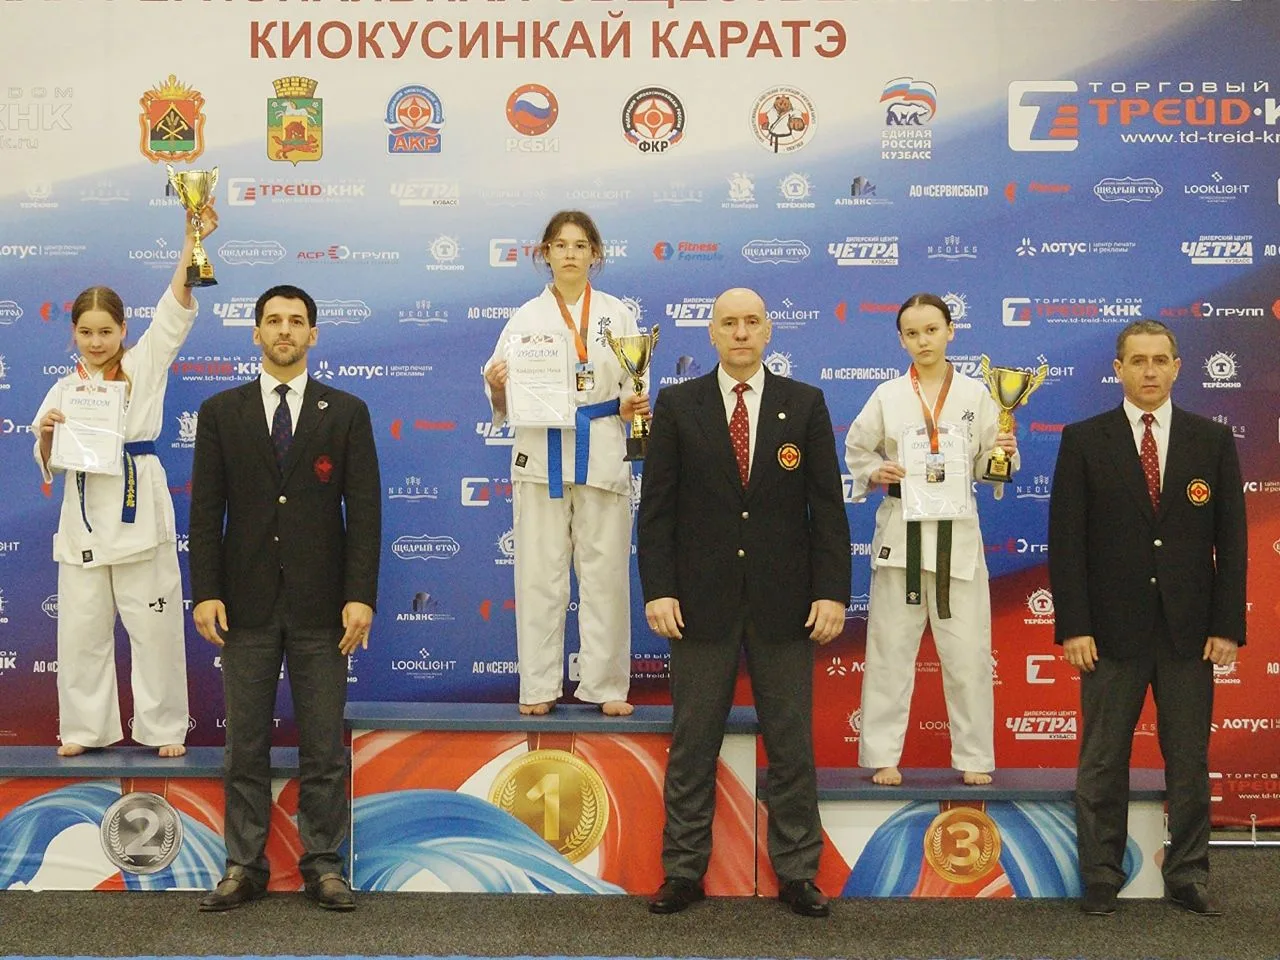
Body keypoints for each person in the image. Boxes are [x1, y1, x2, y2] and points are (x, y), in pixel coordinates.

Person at [637, 287, 849, 917]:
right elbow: (657, 510)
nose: (740, 332)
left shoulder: (804, 404)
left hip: (787, 603)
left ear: (768, 330)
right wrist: (659, 589)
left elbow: (827, 510)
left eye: (751, 322)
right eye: (728, 323)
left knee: (790, 744)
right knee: (693, 742)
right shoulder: (678, 405)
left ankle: (798, 873)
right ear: (711, 333)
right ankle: (682, 871)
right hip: (699, 604)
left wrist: (831, 592)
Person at [188, 284, 381, 912]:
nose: (284, 331)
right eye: (273, 321)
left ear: (313, 335)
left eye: (296, 321)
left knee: (323, 745)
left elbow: (365, 513)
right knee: (245, 745)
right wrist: (206, 592)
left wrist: (360, 596)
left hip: (323, 607)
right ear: (256, 333)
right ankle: (244, 865)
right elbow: (205, 511)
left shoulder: (346, 412)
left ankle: (324, 864)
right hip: (243, 605)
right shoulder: (222, 411)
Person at [1048, 319, 1245, 917]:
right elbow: (1067, 541)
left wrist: (1227, 625)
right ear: (1119, 369)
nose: (1150, 371)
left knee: (1188, 761)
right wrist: (1074, 625)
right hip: (1108, 633)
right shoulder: (1085, 439)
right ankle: (1100, 874)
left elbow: (1232, 539)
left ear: (1178, 367)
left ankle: (1188, 874)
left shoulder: (1211, 439)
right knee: (1103, 759)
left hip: (1190, 632)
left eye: (1161, 360)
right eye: (1138, 361)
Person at [31, 202, 218, 758]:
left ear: (123, 330)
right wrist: (48, 434)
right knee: (82, 632)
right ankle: (83, 729)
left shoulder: (144, 364)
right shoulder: (64, 389)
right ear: (74, 333)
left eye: (106, 331)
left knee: (154, 630)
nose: (96, 341)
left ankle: (163, 728)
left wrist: (191, 240)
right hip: (85, 522)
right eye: (86, 332)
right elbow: (45, 457)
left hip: (140, 512)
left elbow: (174, 308)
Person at [843, 293, 1017, 787]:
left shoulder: (978, 395)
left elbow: (987, 465)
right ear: (901, 340)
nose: (923, 341)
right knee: (889, 652)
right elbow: (857, 449)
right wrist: (876, 470)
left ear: (950, 331)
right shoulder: (888, 395)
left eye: (932, 330)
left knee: (969, 657)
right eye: (913, 333)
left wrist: (1002, 454)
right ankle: (882, 755)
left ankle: (975, 755)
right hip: (901, 538)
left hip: (957, 542)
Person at [482, 210, 648, 717]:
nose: (570, 254)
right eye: (560, 245)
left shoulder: (618, 315)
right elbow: (499, 394)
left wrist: (633, 408)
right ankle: (538, 685)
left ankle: (606, 685)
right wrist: (496, 385)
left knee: (605, 574)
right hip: (541, 455)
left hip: (601, 448)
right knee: (539, 574)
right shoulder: (525, 318)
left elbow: (636, 384)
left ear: (595, 254)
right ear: (546, 254)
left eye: (580, 245)